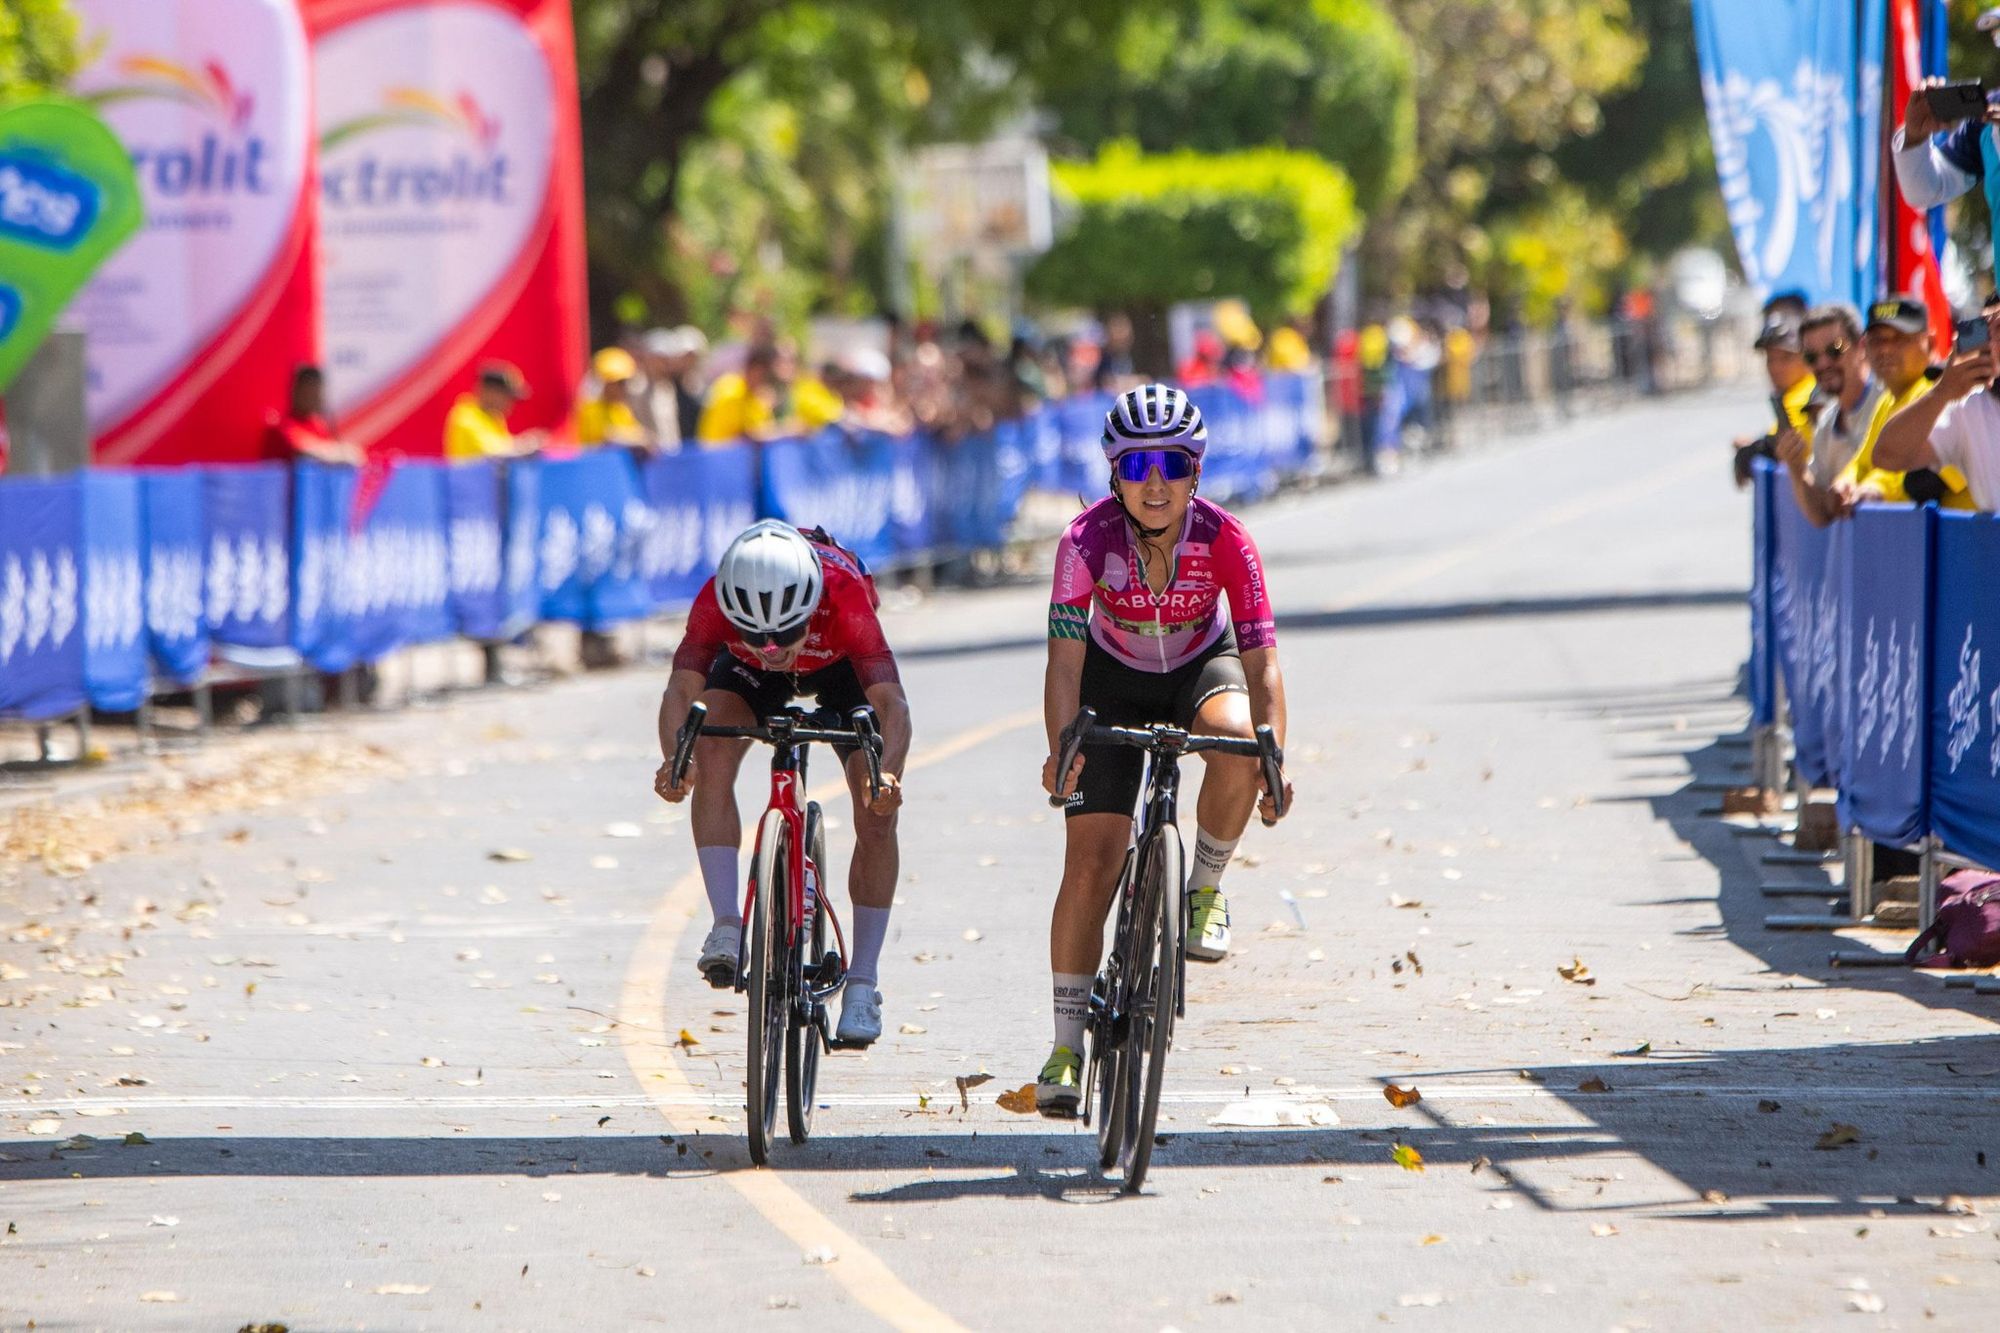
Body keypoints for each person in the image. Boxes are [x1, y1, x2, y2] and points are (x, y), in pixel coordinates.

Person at [1035, 385, 1294, 1115]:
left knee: (1238, 743)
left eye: (1173, 463)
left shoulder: (1227, 539)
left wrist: (1274, 752)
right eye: (1138, 463)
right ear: (1114, 471)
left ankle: (1203, 888)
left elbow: (1261, 660)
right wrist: (1065, 750)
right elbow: (1063, 665)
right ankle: (1063, 1042)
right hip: (1110, 680)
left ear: (1196, 472)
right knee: (1090, 860)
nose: (1156, 482)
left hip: (1197, 670)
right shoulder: (1084, 542)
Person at [653, 521, 913, 1045]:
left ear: (810, 607)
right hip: (747, 677)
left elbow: (892, 705)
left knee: (877, 811)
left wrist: (887, 776)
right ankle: (727, 922)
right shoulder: (716, 600)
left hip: (841, 668)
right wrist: (674, 762)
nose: (772, 648)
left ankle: (862, 982)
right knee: (709, 751)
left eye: (785, 633)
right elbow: (682, 689)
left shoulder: (843, 599)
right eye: (755, 635)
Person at [1832, 296, 1976, 514]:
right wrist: (1845, 482)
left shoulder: (1944, 394)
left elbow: (1923, 474)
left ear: (1929, 343)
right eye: (1877, 340)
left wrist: (1876, 487)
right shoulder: (1887, 401)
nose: (1886, 350)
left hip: (1969, 538)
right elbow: (1862, 462)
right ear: (1864, 346)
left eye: (1900, 339)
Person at [1872, 295, 2000, 510]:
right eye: (1985, 330)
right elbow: (1887, 456)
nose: (1993, 343)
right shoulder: (1968, 407)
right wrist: (1943, 391)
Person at [1776, 305, 1877, 527]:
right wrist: (1796, 468)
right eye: (1811, 357)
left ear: (1861, 347)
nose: (1823, 364)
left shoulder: (1886, 401)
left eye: (1835, 350)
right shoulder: (1826, 422)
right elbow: (1820, 515)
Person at [262, 365, 364, 465]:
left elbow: (355, 455)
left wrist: (343, 453)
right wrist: (339, 454)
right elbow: (303, 451)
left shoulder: (318, 425)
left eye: (319, 391)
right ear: (296, 391)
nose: (318, 397)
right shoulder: (283, 426)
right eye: (311, 391)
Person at [444, 362, 533, 462]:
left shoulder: (495, 417)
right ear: (488, 392)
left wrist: (528, 442)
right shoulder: (465, 417)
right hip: (469, 477)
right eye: (507, 396)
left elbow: (506, 445)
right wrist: (526, 446)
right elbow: (494, 453)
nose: (511, 404)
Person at [696, 343, 782, 445]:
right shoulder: (730, 388)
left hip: (738, 458)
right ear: (755, 369)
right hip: (718, 457)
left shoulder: (756, 398)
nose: (767, 382)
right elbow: (745, 434)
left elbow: (765, 429)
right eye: (767, 375)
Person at [575, 347, 651, 449]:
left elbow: (640, 434)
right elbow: (607, 436)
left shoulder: (621, 409)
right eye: (620, 383)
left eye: (625, 383)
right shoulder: (590, 409)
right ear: (606, 383)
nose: (625, 388)